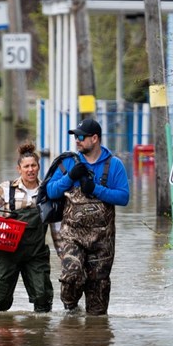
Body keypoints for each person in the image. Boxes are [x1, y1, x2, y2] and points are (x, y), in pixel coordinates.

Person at [45, 118, 129, 315]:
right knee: (72, 274)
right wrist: (70, 177)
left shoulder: (114, 165)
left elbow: (124, 197)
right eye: (75, 137)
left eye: (81, 137)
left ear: (95, 138)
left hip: (102, 241)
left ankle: (94, 337)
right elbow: (50, 191)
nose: (77, 141)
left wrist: (96, 189)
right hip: (72, 235)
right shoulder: (67, 163)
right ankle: (71, 309)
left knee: (98, 302)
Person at [0, 142, 54, 313]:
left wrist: (63, 252)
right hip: (7, 251)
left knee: (43, 297)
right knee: (0, 299)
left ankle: (40, 333)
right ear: (19, 169)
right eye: (26, 166)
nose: (30, 169)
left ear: (38, 167)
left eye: (34, 165)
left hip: (35, 253)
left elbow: (56, 225)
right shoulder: (7, 188)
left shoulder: (47, 190)